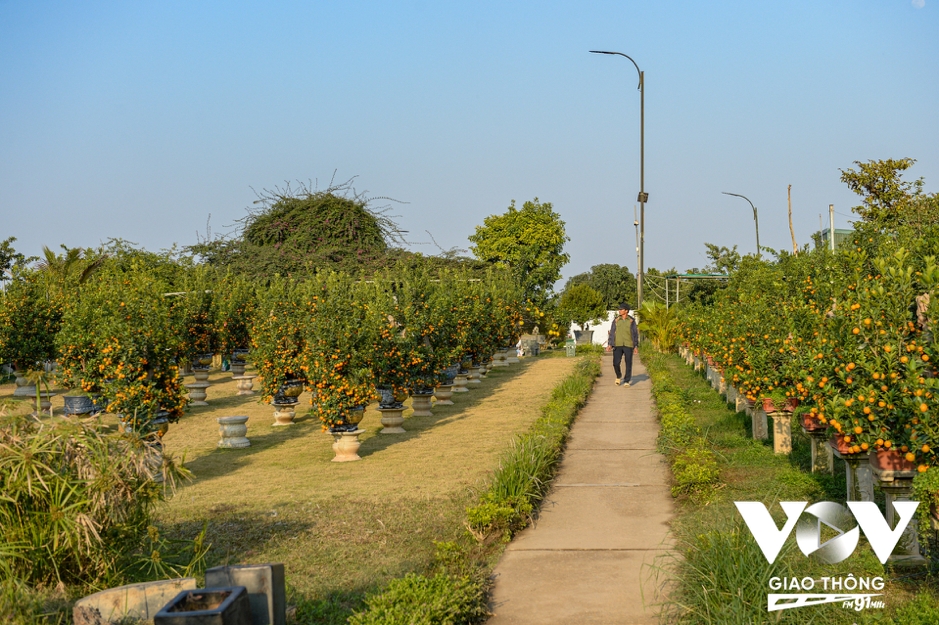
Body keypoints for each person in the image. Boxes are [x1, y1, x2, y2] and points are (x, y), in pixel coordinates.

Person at [606, 303, 639, 386]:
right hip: (618, 344)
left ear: (626, 311)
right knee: (616, 363)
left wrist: (635, 346)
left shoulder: (631, 321)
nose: (619, 311)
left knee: (628, 363)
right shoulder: (616, 320)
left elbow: (635, 334)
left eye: (621, 309)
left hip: (628, 344)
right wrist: (610, 344)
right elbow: (612, 333)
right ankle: (618, 375)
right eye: (619, 309)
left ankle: (627, 381)